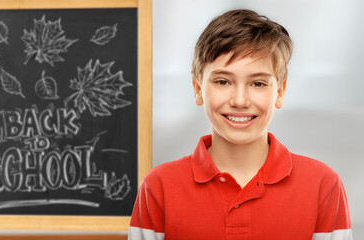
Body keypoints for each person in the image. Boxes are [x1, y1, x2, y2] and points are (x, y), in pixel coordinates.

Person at [128, 9, 353, 240]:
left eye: (257, 83)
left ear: (280, 92)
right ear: (198, 89)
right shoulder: (158, 187)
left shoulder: (323, 185)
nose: (239, 101)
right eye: (223, 81)